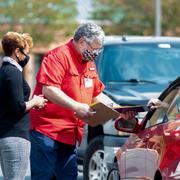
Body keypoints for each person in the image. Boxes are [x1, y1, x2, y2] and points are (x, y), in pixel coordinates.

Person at [30, 22, 135, 180]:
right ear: (81, 42)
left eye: (99, 49)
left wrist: (118, 110)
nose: (97, 53)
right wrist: (77, 106)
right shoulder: (58, 56)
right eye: (94, 48)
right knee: (44, 176)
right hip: (47, 131)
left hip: (70, 133)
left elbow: (97, 94)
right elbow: (49, 89)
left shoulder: (89, 64)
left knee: (69, 176)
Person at [0, 31, 47, 180]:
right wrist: (35, 101)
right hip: (16, 136)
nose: (27, 56)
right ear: (16, 51)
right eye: (25, 52)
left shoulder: (3, 71)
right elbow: (18, 107)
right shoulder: (13, 73)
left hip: (4, 135)